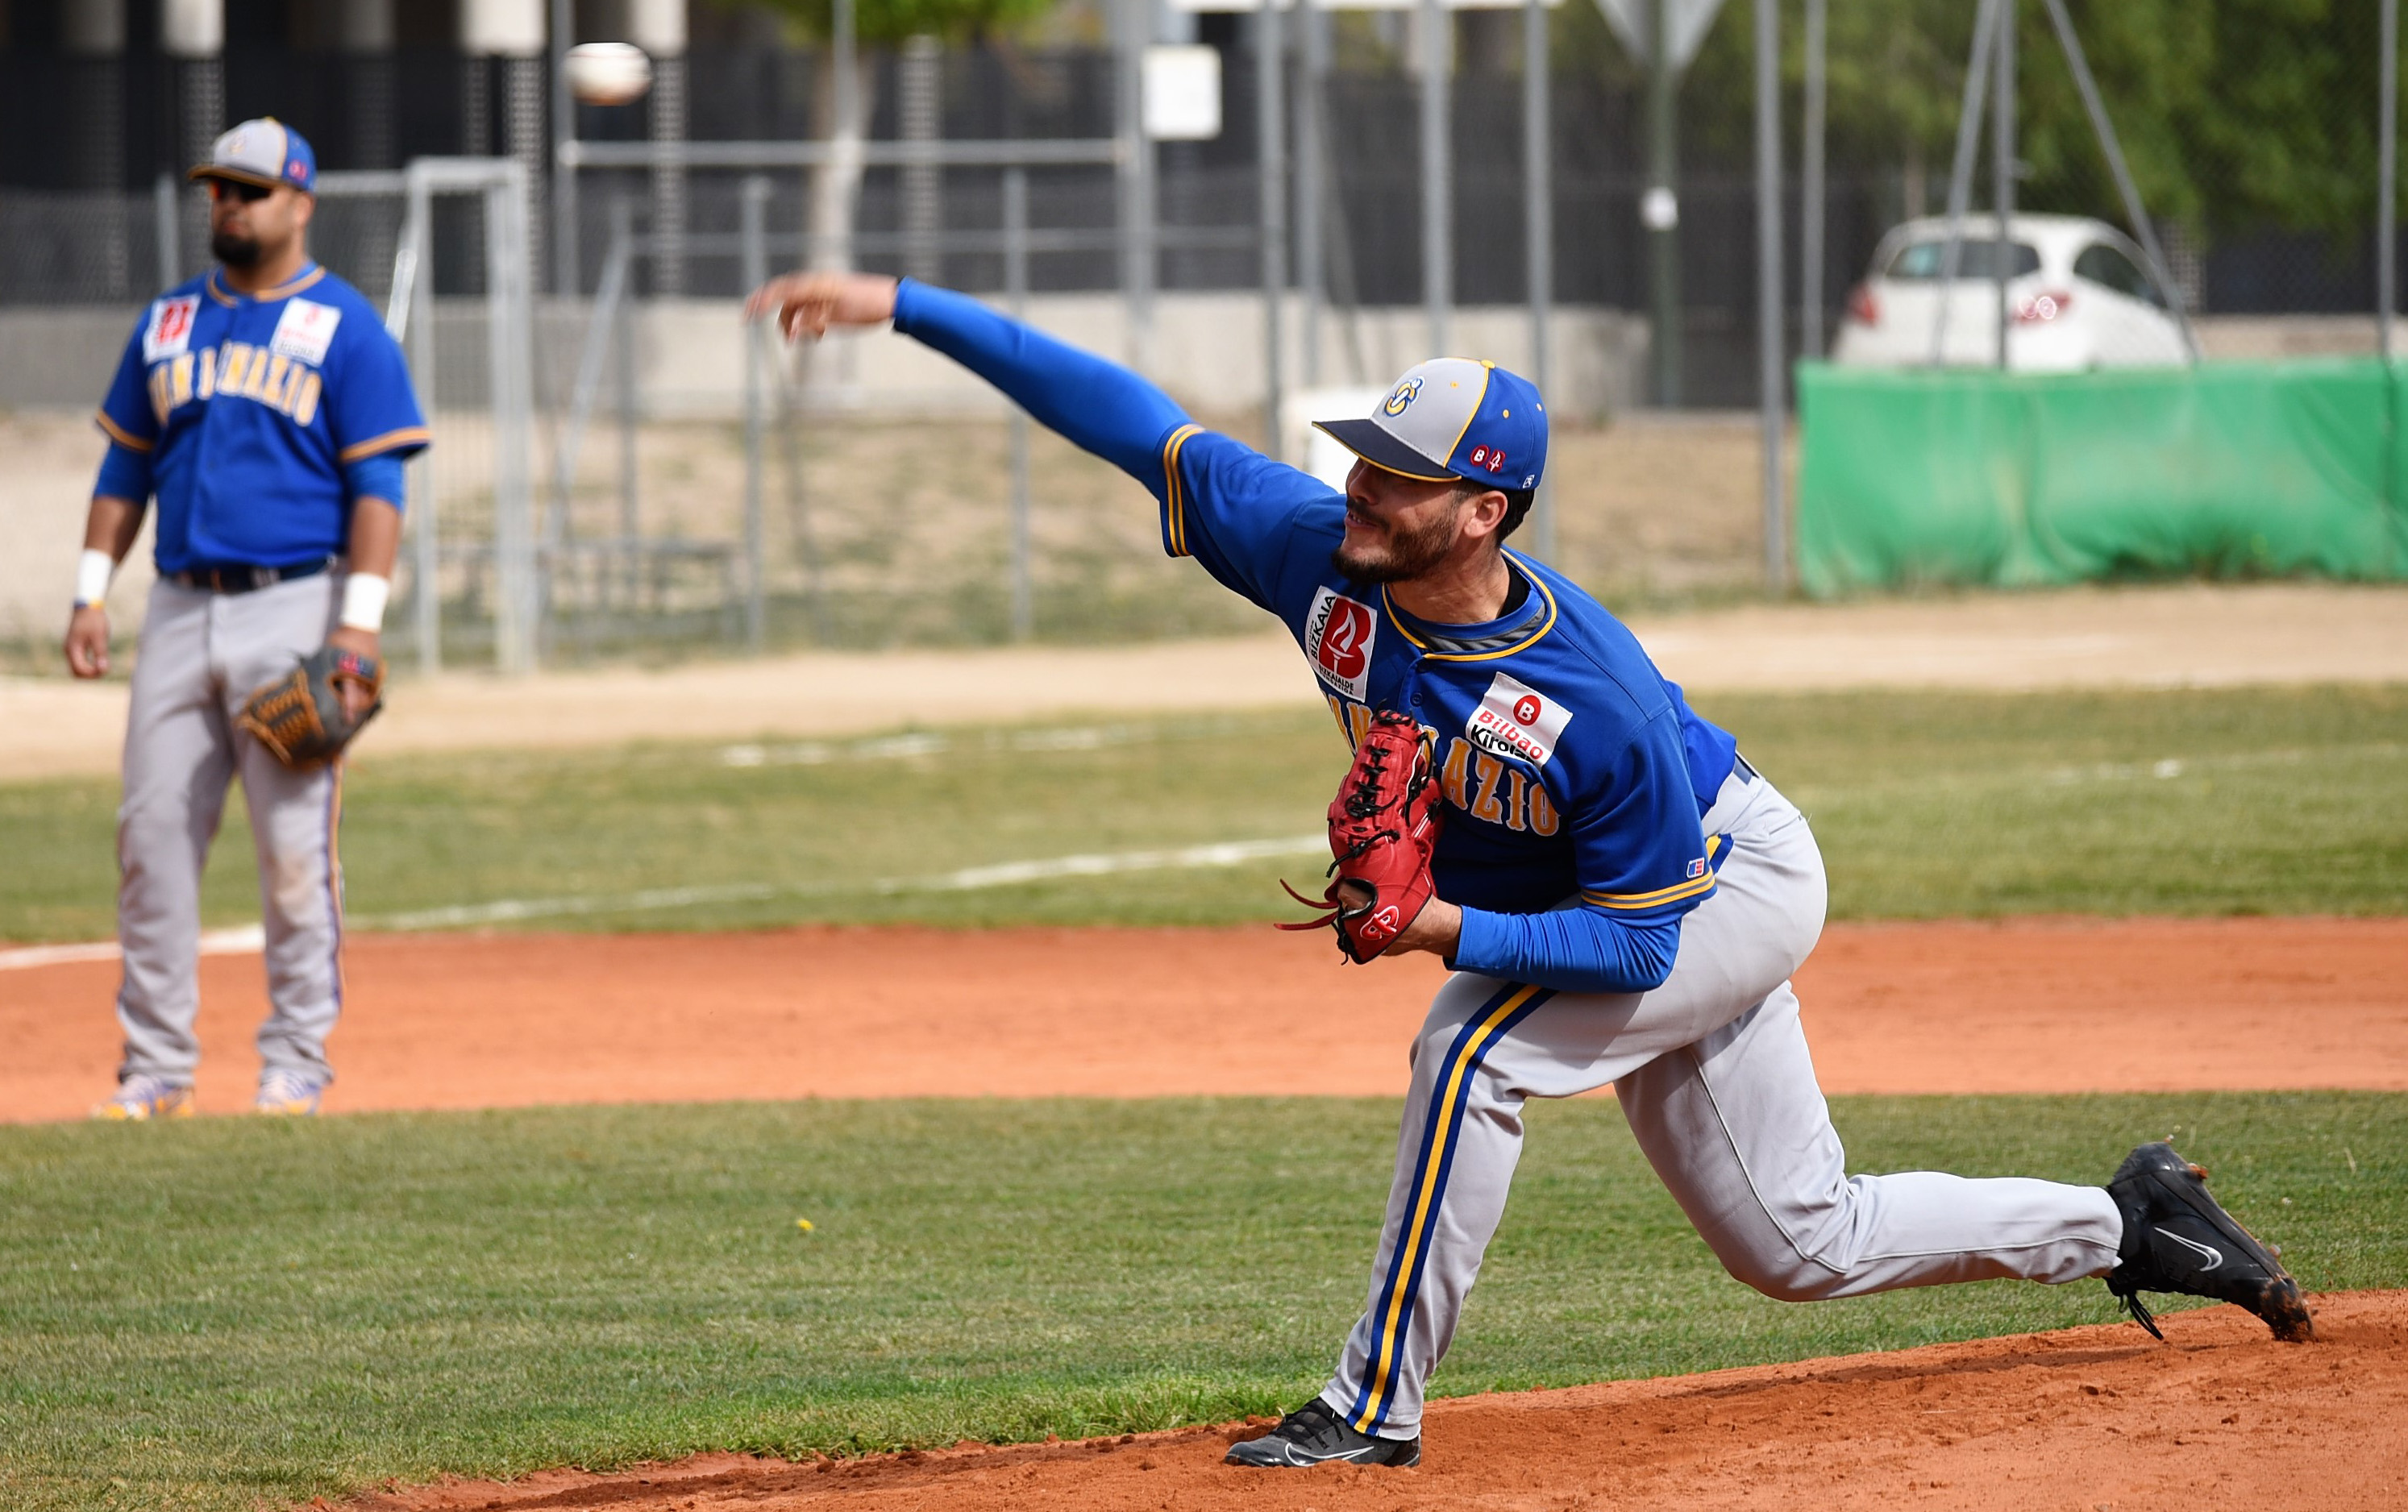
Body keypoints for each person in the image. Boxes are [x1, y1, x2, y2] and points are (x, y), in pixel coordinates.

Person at [745, 269, 2312, 1468]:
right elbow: (1116, 414)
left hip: (1717, 883)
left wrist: (1435, 920)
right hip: (1627, 898)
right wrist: (901, 307)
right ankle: (2126, 1219)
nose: (1357, 489)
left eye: (1394, 477)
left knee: (1467, 1048)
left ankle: (1371, 1404)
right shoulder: (1310, 550)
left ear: (1480, 507)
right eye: (1359, 461)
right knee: (1795, 1241)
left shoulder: (1594, 704)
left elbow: (1632, 951)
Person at [70, 119, 427, 1119]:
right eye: (219, 189)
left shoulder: (343, 327)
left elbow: (379, 485)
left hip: (297, 606)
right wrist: (91, 589)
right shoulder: (170, 321)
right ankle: (155, 1067)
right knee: (150, 840)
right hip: (181, 607)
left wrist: (357, 625)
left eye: (251, 190)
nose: (230, 205)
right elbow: (124, 464)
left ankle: (296, 1060)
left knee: (293, 848)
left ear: (300, 203)